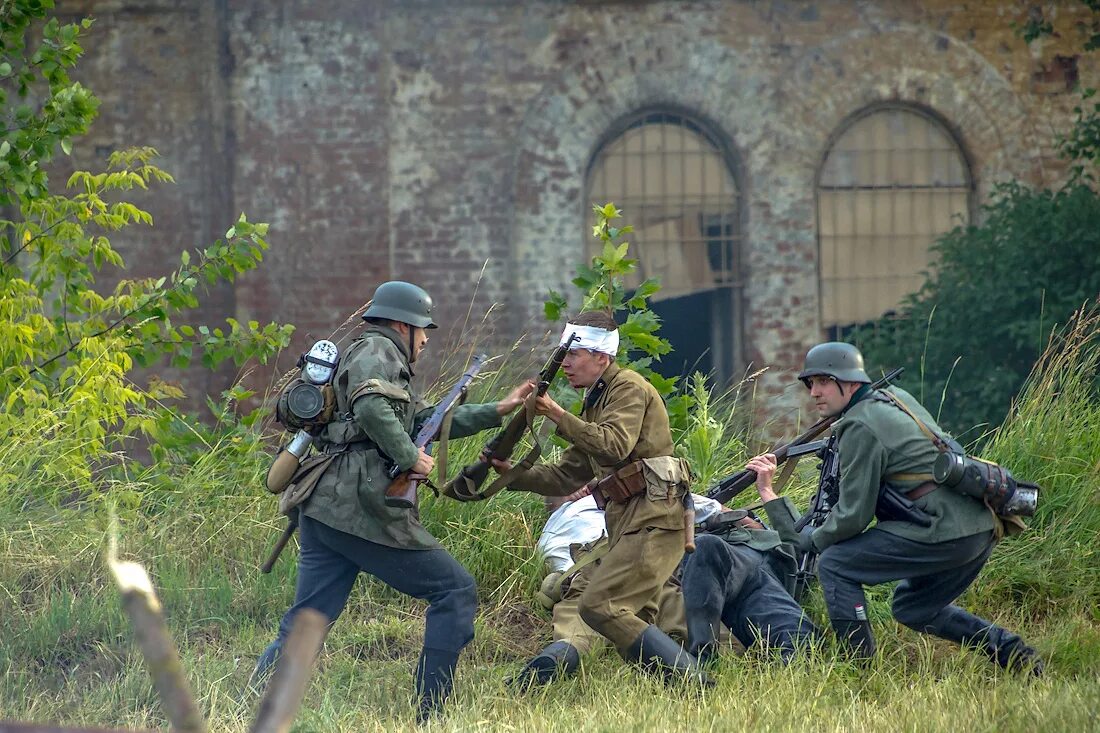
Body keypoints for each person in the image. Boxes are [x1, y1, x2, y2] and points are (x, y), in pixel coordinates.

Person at [252, 281, 533, 723]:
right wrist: (409, 457)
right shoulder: (379, 350)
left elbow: (424, 420)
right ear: (403, 324)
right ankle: (431, 714)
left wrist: (498, 409)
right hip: (361, 506)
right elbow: (369, 409)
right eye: (423, 330)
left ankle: (254, 703)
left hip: (326, 507)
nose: (425, 340)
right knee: (454, 590)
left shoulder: (374, 356)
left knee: (310, 619)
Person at [752, 341, 1041, 674]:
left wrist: (806, 536)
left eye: (824, 381)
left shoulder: (858, 425)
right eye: (811, 383)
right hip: (980, 526)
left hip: (943, 529)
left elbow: (852, 517)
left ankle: (857, 672)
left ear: (849, 383)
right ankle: (1015, 654)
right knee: (913, 607)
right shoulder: (896, 397)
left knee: (835, 564)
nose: (815, 392)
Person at [494, 310, 708, 684]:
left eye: (573, 356)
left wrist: (557, 415)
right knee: (622, 610)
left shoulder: (628, 388)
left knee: (599, 605)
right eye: (564, 356)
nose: (565, 366)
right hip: (631, 519)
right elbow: (567, 474)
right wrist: (511, 474)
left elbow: (612, 446)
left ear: (602, 358)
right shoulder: (597, 400)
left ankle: (694, 685)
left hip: (654, 516)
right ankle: (673, 686)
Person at [510, 490, 723, 688]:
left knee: (578, 632)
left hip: (586, 576)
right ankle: (710, 665)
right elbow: (708, 508)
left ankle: (558, 655)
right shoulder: (599, 500)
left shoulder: (548, 536)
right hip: (640, 564)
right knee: (691, 622)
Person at [680, 508, 820, 665]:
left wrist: (765, 491)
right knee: (706, 548)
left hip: (742, 562)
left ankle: (702, 663)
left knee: (800, 642)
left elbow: (798, 537)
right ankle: (701, 663)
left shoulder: (683, 497)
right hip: (698, 571)